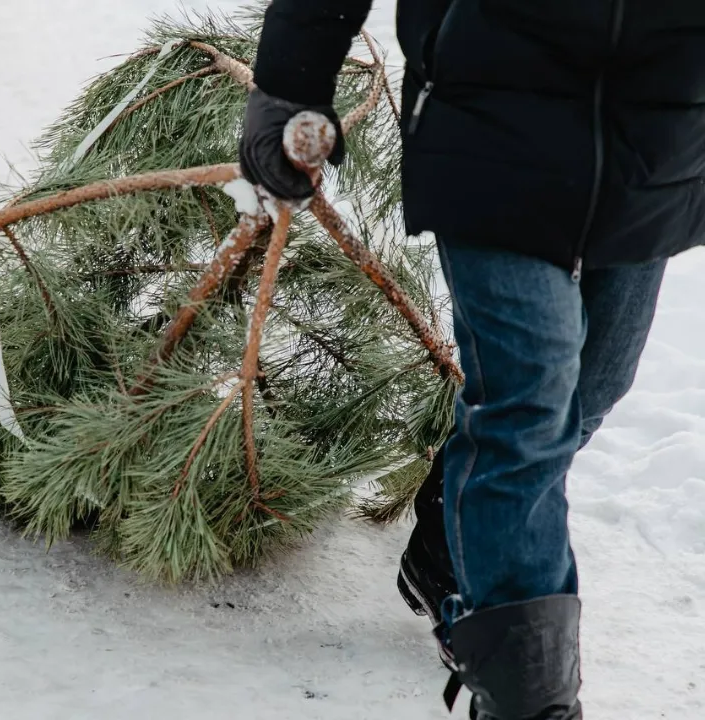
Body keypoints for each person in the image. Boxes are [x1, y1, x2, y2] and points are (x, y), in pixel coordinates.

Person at [240, 1, 705, 717]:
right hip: (491, 117)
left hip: (658, 145)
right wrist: (290, 86)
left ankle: (453, 551)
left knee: (595, 385)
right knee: (528, 405)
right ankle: (528, 704)